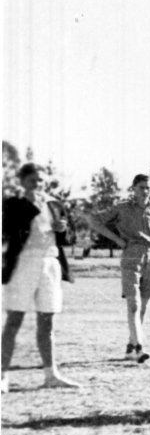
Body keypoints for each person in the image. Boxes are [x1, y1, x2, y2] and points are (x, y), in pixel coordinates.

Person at [86, 173, 150, 363]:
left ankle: (131, 346)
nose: (145, 191)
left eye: (148, 187)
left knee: (143, 306)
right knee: (134, 304)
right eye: (141, 187)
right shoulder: (122, 208)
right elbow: (94, 220)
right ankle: (139, 346)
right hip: (131, 254)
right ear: (133, 188)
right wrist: (116, 240)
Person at [2, 163, 81, 393]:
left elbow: (70, 238)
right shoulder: (13, 203)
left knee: (47, 321)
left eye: (40, 180)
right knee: (14, 319)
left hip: (51, 263)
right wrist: (30, 204)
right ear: (23, 180)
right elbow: (8, 230)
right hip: (24, 263)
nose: (37, 184)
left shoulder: (55, 203)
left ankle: (51, 374)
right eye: (32, 180)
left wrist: (63, 228)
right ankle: (2, 375)